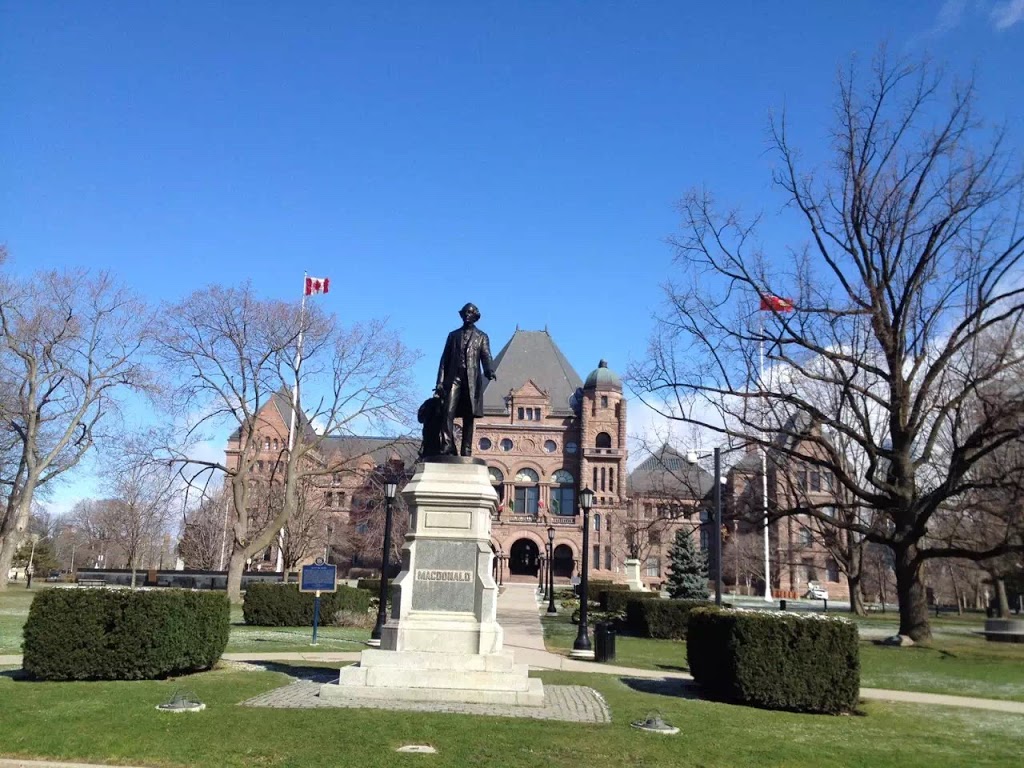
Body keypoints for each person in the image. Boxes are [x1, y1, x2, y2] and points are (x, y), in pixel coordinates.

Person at [435, 302, 496, 456]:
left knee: (469, 415)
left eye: (470, 313)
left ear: (475, 316)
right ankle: (447, 445)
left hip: (471, 380)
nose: (467, 315)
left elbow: (486, 356)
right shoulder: (453, 335)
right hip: (453, 379)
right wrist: (440, 383)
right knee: (447, 412)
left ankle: (466, 449)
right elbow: (444, 360)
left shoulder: (481, 336)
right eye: (465, 313)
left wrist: (489, 370)